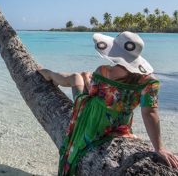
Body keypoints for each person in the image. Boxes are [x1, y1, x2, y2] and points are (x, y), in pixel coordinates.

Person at [37, 31, 178, 175]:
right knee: (83, 76)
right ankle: (70, 75)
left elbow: (91, 94)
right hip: (120, 124)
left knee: (76, 78)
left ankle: (48, 74)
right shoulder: (150, 82)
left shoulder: (103, 71)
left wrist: (88, 79)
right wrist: (159, 147)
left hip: (91, 119)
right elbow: (150, 113)